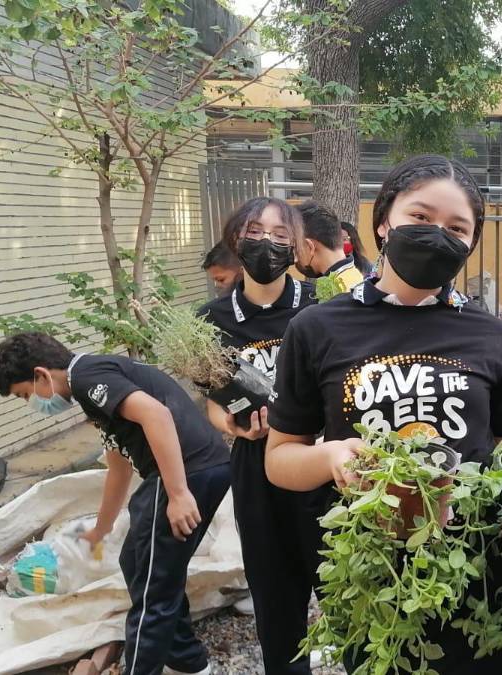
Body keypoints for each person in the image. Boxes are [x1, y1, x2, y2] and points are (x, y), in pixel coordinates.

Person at [264, 154, 502, 674]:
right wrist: (331, 455)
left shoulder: (490, 334)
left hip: (477, 572)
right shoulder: (318, 328)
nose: (436, 235)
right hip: (375, 578)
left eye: (456, 228)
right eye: (419, 218)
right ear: (383, 222)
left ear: (471, 244)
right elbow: (279, 460)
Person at [0, 332, 230, 675]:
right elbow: (117, 463)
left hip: (187, 472)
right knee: (136, 563)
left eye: (26, 394)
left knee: (152, 588)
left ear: (42, 374)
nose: (33, 403)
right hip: (188, 472)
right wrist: (101, 528)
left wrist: (177, 493)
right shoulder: (92, 384)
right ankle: (188, 662)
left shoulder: (88, 378)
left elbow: (157, 415)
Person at [196, 197, 319, 674]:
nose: (266, 243)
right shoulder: (211, 320)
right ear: (235, 240)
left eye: (280, 234)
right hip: (256, 472)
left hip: (320, 466)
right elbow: (212, 401)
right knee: (276, 604)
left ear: (298, 247)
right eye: (254, 231)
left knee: (345, 593)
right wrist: (233, 426)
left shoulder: (322, 307)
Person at [295, 200, 366, 294]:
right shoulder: (356, 281)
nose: (295, 259)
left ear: (309, 247)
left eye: (295, 248)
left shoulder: (341, 295)